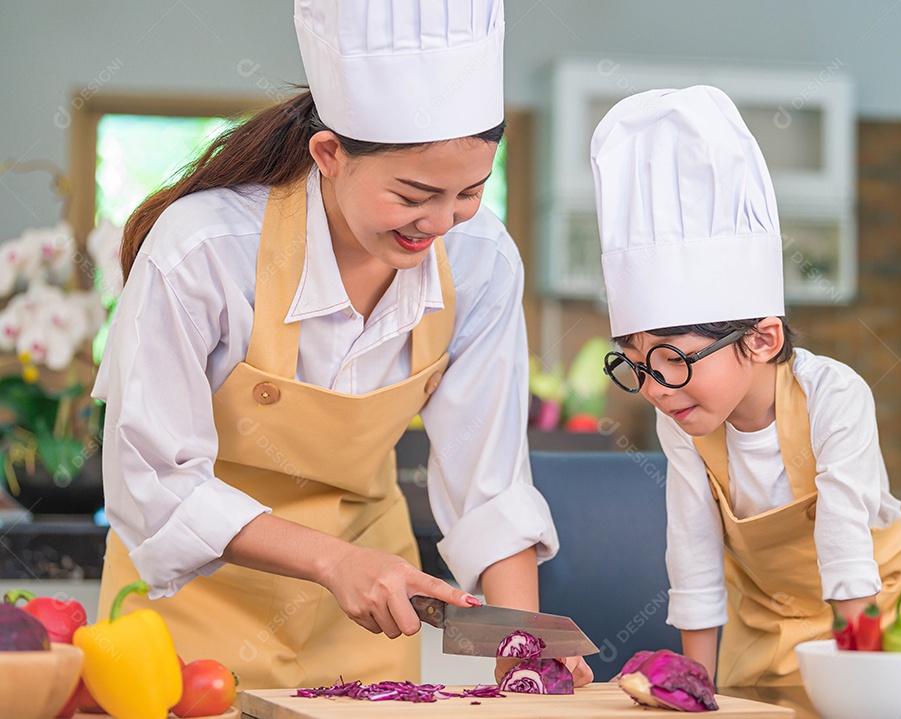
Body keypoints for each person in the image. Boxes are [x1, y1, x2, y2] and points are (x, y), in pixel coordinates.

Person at [92, 0, 592, 690]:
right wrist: (329, 561)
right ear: (329, 154)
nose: (441, 222)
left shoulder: (481, 262)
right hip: (186, 625)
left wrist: (521, 645)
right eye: (415, 194)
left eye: (469, 192)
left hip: (366, 621)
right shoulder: (205, 251)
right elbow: (153, 480)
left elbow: (490, 486)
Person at [589, 85, 901, 687]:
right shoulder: (680, 421)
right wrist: (693, 685)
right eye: (636, 364)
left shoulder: (834, 398)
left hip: (874, 629)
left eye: (672, 359)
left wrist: (866, 688)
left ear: (763, 340)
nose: (655, 389)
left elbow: (846, 548)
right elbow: (692, 550)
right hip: (765, 633)